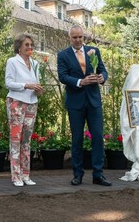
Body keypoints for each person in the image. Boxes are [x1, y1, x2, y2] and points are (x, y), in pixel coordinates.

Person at [57, 25, 111, 187]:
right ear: (70, 38)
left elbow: (103, 70)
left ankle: (98, 174)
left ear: (83, 37)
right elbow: (63, 76)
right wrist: (81, 82)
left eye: (80, 37)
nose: (78, 40)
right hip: (75, 103)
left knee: (97, 137)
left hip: (94, 101)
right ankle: (77, 174)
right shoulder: (63, 55)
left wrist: (102, 78)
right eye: (75, 37)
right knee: (77, 139)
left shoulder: (93, 51)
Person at [5, 34, 45, 187]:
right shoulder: (12, 61)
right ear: (19, 46)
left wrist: (38, 90)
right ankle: (16, 176)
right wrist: (26, 85)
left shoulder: (35, 63)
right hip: (16, 102)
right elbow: (8, 83)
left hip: (32, 103)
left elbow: (36, 84)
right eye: (26, 45)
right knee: (15, 140)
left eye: (31, 45)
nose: (30, 47)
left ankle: (26, 175)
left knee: (26, 141)